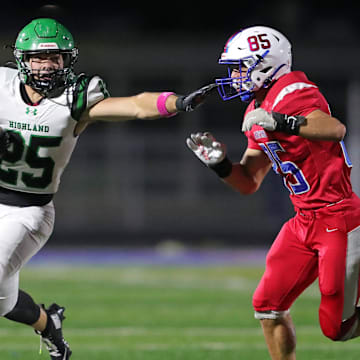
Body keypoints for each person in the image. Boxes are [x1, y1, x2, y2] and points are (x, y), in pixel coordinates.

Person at [0, 18, 216, 360]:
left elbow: (134, 105)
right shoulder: (2, 84)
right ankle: (48, 323)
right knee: (4, 302)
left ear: (67, 61)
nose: (46, 66)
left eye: (55, 58)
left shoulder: (77, 97)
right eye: (39, 58)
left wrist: (176, 102)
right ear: (21, 60)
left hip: (29, 210)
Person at [186, 25, 360, 359]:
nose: (235, 76)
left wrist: (280, 121)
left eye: (240, 67)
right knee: (268, 305)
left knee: (337, 328)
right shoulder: (257, 107)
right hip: (303, 220)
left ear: (265, 63)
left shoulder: (292, 89)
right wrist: (220, 164)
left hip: (339, 218)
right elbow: (248, 181)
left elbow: (334, 129)